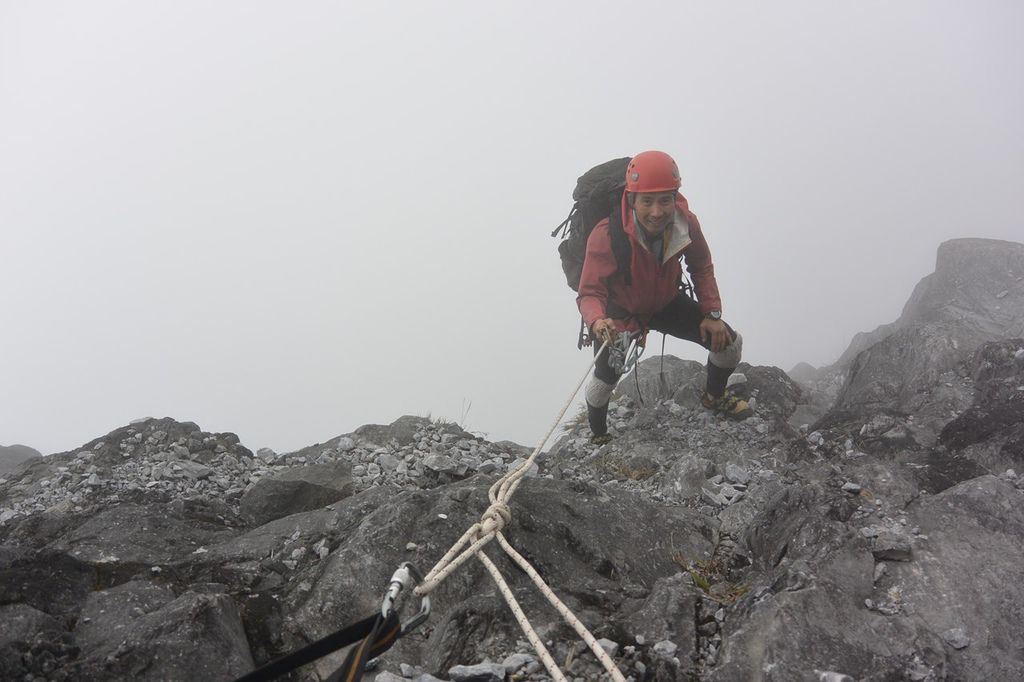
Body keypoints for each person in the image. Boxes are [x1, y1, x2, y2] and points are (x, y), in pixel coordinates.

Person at [577, 150, 750, 443]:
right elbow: (591, 291)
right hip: (620, 314)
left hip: (665, 302)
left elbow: (701, 266)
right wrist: (597, 321)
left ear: (675, 197)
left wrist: (712, 314)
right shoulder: (606, 234)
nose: (656, 212)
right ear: (632, 199)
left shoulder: (686, 223)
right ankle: (599, 435)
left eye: (664, 200)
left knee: (729, 345)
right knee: (604, 380)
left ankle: (714, 397)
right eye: (647, 201)